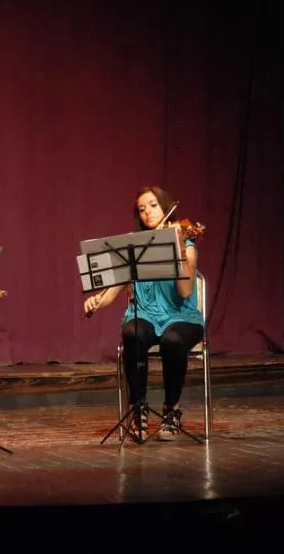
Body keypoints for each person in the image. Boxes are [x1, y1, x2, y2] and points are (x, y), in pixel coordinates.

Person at [82, 186, 205, 441]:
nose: (147, 212)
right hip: (146, 314)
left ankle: (172, 409)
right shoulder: (133, 248)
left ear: (165, 206)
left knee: (173, 340)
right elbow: (113, 291)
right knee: (132, 332)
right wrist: (97, 300)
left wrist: (180, 249)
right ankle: (138, 407)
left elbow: (184, 291)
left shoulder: (187, 243)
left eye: (152, 205)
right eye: (141, 209)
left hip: (181, 316)